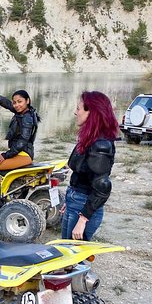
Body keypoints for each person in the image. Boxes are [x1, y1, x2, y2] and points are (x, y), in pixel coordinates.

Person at [61, 91, 118, 241]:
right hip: (76, 200)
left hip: (83, 205)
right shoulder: (89, 139)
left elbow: (102, 187)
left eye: (79, 108)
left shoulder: (100, 145)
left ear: (91, 112)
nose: (75, 112)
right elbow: (82, 175)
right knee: (65, 253)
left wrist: (83, 219)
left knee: (73, 260)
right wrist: (70, 202)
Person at [0, 83, 40, 184]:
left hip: (23, 155)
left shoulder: (27, 118)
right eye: (15, 102)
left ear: (27, 101)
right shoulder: (22, 112)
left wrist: (6, 155)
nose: (16, 105)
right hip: (21, 153)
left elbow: (22, 141)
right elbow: (6, 103)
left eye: (20, 101)